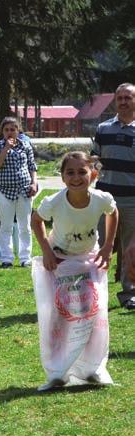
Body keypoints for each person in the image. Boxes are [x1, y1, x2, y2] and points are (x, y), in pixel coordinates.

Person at [31, 151, 118, 390]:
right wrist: (47, 251)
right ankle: (58, 371)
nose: (77, 177)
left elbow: (113, 212)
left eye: (82, 171)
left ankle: (92, 368)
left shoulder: (101, 198)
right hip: (60, 263)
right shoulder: (55, 202)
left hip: (89, 261)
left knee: (94, 313)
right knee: (60, 317)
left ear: (94, 174)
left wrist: (109, 245)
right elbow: (35, 219)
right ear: (62, 177)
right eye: (70, 172)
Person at [92, 82, 135, 309]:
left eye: (128, 97)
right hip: (104, 200)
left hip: (132, 200)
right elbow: (94, 159)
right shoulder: (103, 129)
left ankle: (129, 294)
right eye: (120, 98)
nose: (123, 101)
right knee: (98, 244)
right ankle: (94, 292)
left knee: (131, 249)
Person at [0, 116, 38, 268]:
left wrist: (34, 183)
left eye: (13, 129)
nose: (10, 132)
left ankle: (25, 258)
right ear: (2, 132)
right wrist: (6, 149)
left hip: (24, 190)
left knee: (25, 226)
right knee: (6, 226)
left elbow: (32, 166)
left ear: (18, 131)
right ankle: (6, 258)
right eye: (6, 130)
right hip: (5, 191)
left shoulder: (25, 145)